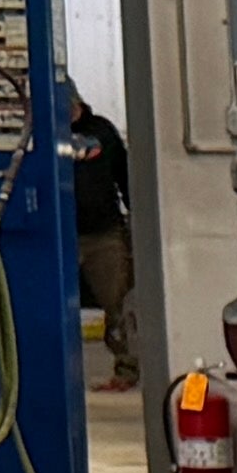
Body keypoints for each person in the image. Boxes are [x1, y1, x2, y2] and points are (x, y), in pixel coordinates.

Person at [67, 95, 138, 388]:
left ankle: (127, 370)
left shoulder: (102, 131)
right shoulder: (42, 132)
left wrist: (137, 218)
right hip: (60, 236)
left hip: (103, 234)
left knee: (118, 304)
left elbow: (124, 174)